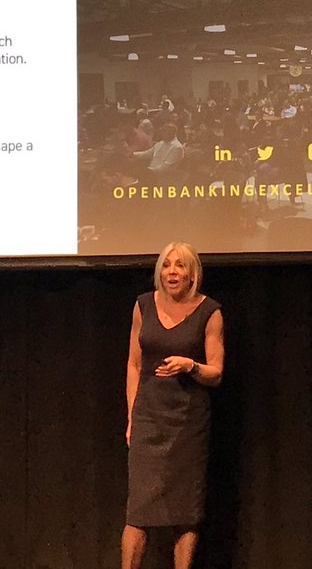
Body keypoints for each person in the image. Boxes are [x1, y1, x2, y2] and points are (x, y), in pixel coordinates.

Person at [123, 242, 225, 569]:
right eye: (166, 265)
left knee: (185, 512)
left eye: (180, 266)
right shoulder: (143, 306)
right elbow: (134, 364)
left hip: (188, 422)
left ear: (192, 274)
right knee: (138, 511)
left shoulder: (210, 312)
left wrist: (189, 365)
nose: (172, 272)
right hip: (148, 416)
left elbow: (216, 372)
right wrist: (131, 417)